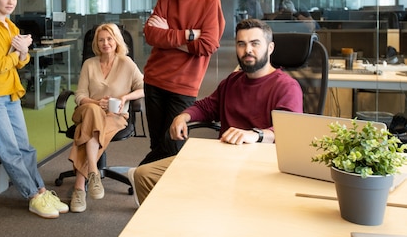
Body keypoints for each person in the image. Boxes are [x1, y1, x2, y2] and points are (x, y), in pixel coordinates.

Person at [130, 19, 303, 205]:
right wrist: (183, 116)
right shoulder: (233, 81)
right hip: (221, 158)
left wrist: (256, 134)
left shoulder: (286, 86)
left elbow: (288, 131)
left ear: (270, 48)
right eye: (241, 44)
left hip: (259, 166)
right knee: (144, 174)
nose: (248, 50)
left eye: (255, 44)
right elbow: (207, 106)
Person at [0, 0, 69, 219]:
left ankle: (41, 190)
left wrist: (23, 51)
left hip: (10, 92)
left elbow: (23, 61)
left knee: (26, 147)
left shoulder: (11, 27)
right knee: (10, 150)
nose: (10, 2)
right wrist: (19, 51)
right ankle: (32, 196)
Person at [140, 0, 225, 165]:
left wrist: (168, 35)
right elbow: (150, 35)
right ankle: (153, 194)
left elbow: (207, 45)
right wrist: (189, 35)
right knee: (157, 143)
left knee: (172, 145)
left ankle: (138, 174)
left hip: (184, 85)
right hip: (154, 80)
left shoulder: (210, 2)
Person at [68, 23, 145, 213]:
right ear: (96, 43)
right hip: (88, 111)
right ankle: (93, 171)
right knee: (93, 113)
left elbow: (144, 88)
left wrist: (125, 98)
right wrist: (95, 102)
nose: (105, 43)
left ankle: (80, 186)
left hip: (115, 115)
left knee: (86, 131)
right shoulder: (89, 64)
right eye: (101, 40)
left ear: (116, 40)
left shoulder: (126, 63)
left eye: (109, 39)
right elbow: (79, 96)